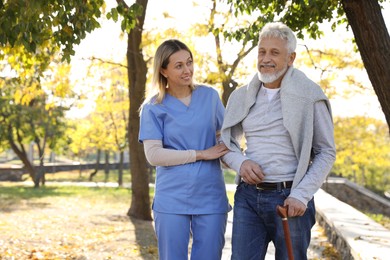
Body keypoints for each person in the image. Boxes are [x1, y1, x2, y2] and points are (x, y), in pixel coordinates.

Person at [221, 22, 336, 259]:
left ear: (291, 58)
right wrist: (240, 163)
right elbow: (226, 143)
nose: (266, 58)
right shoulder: (241, 97)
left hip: (290, 199)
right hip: (248, 198)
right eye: (262, 51)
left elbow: (326, 152)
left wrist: (301, 195)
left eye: (275, 52)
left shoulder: (311, 96)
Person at [138, 39, 231, 260]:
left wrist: (237, 161)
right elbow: (154, 155)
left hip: (210, 197)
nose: (187, 70)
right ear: (163, 70)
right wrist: (200, 154)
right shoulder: (153, 107)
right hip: (172, 199)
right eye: (178, 65)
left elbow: (227, 140)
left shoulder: (209, 97)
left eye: (189, 62)